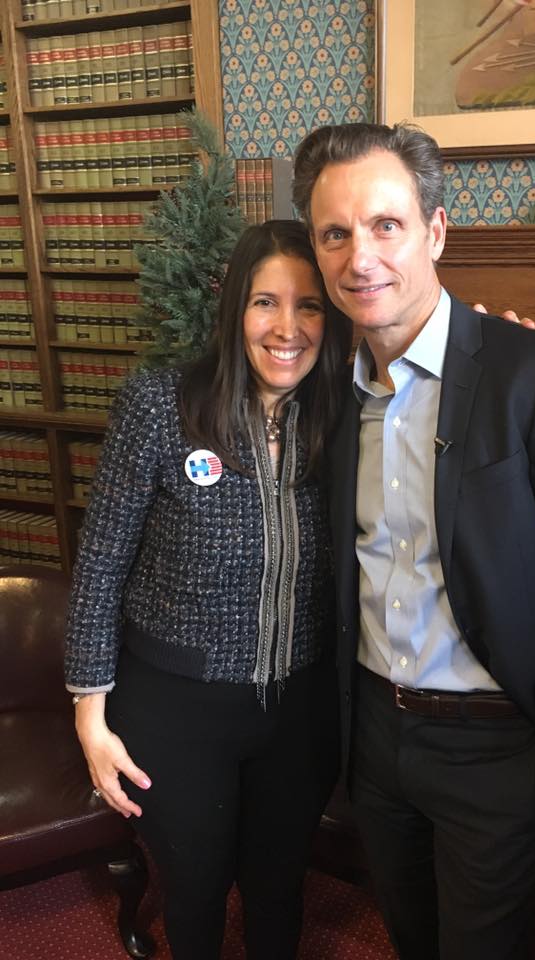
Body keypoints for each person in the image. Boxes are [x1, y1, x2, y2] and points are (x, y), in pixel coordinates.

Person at [292, 122, 535, 960]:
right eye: (335, 234)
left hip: (502, 750)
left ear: (436, 231)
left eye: (386, 225)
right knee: (411, 939)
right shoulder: (331, 400)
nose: (360, 257)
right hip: (377, 740)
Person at [64, 220, 352, 960]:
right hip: (174, 711)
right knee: (194, 891)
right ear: (234, 309)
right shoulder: (161, 405)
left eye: (310, 305)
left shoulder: (346, 414)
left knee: (279, 886)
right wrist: (91, 720)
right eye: (266, 302)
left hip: (301, 709)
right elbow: (100, 566)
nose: (287, 328)